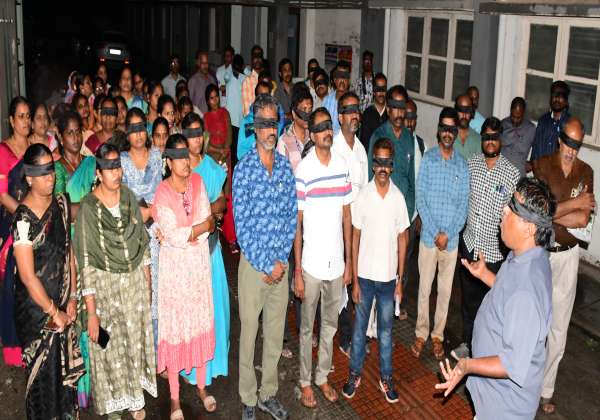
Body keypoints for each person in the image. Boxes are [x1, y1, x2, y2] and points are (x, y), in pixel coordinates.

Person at [436, 176, 555, 419]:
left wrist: (466, 365)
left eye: (513, 208)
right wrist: (485, 275)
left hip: (504, 409)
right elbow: (507, 294)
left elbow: (511, 363)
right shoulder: (525, 254)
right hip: (492, 399)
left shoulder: (527, 292)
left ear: (530, 228)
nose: (504, 209)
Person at [74, 144, 156, 419]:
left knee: (133, 342)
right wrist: (91, 312)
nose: (116, 173)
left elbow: (141, 242)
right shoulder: (88, 209)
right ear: (98, 173)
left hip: (133, 286)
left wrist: (148, 284)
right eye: (109, 168)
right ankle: (114, 405)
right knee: (109, 347)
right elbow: (86, 261)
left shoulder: (129, 197)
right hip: (105, 288)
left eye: (118, 167)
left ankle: (133, 397)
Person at [233, 94, 296, 420]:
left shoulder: (284, 167)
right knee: (249, 334)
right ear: (254, 128)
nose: (271, 130)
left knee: (274, 334)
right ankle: (247, 396)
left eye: (274, 123)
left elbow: (291, 216)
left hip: (280, 267)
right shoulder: (243, 171)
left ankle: (267, 394)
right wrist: (265, 264)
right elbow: (242, 226)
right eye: (265, 124)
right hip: (254, 269)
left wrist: (281, 261)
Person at [12, 143, 84, 419]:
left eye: (51, 170)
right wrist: (54, 312)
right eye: (42, 173)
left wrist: (73, 296)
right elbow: (27, 276)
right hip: (36, 312)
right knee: (43, 379)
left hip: (63, 301)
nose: (50, 177)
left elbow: (68, 252)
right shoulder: (22, 219)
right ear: (29, 177)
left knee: (63, 375)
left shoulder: (61, 204)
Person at [532, 117, 595, 415]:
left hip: (568, 256)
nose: (571, 150)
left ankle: (546, 390)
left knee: (559, 327)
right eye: (568, 143)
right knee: (534, 322)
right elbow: (538, 211)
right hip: (541, 253)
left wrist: (555, 210)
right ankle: (526, 382)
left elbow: (583, 220)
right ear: (560, 139)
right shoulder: (543, 164)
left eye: (577, 145)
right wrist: (573, 203)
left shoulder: (586, 172)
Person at [152, 134, 217, 417]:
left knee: (199, 321)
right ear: (168, 161)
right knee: (177, 328)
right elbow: (173, 233)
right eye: (178, 157)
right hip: (175, 272)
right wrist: (197, 230)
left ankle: (202, 387)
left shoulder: (198, 182)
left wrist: (193, 232)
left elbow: (208, 219)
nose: (185, 162)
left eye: (186, 156)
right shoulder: (162, 192)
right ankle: (175, 398)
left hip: (198, 265)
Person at [341, 137, 409, 403]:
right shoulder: (363, 196)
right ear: (373, 165)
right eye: (378, 161)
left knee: (386, 333)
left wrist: (400, 280)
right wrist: (355, 281)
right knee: (359, 331)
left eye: (386, 162)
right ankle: (354, 374)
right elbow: (355, 236)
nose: (382, 167)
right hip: (365, 279)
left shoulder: (398, 198)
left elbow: (403, 239)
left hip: (389, 280)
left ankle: (386, 378)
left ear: (392, 166)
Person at [294, 107, 352, 408]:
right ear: (313, 135)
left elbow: (347, 216)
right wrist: (297, 271)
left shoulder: (342, 165)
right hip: (311, 265)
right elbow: (297, 224)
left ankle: (321, 377)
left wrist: (349, 263)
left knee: (330, 325)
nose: (327, 131)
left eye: (329, 126)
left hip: (336, 264)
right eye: (321, 128)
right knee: (307, 328)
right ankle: (305, 381)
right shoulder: (304, 170)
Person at [451, 117, 520, 361]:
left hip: (494, 254)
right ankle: (467, 344)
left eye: (495, 137)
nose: (490, 141)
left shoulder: (512, 174)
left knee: (490, 305)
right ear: (482, 139)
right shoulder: (471, 165)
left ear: (501, 139)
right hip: (470, 245)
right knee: (468, 302)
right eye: (486, 137)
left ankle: (485, 351)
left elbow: (514, 216)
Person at [411, 108, 469, 361]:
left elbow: (464, 205)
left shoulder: (462, 165)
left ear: (456, 132)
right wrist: (436, 233)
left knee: (444, 293)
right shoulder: (429, 159)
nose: (447, 133)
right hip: (429, 238)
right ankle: (421, 333)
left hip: (451, 241)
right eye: (444, 128)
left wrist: (448, 234)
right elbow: (420, 198)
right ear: (438, 131)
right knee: (424, 289)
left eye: (451, 129)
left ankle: (437, 336)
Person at [179, 111, 230, 391]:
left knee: (216, 307)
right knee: (193, 311)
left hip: (210, 248)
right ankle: (192, 366)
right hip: (187, 251)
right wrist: (204, 216)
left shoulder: (211, 167)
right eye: (191, 134)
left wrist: (208, 210)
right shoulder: (179, 169)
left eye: (199, 133)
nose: (196, 139)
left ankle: (215, 362)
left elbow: (221, 202)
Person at [276, 83, 314, 357]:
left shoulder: (316, 137)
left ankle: (304, 329)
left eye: (311, 108)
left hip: (312, 218)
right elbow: (280, 182)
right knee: (287, 275)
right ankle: (279, 336)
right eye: (303, 109)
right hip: (290, 218)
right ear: (293, 113)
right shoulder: (284, 142)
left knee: (305, 275)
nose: (308, 114)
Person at [120, 108, 163, 346]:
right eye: (133, 129)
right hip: (132, 229)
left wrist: (156, 213)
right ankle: (138, 348)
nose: (138, 134)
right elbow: (119, 197)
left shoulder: (156, 155)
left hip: (157, 228)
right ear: (127, 133)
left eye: (141, 128)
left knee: (157, 286)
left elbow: (164, 190)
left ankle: (157, 350)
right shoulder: (121, 161)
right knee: (138, 288)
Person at [332, 92, 368, 357]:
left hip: (359, 228)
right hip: (338, 228)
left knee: (357, 280)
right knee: (341, 283)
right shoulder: (333, 148)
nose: (354, 115)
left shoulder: (361, 149)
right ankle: (344, 337)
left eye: (357, 110)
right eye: (349, 110)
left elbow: (364, 191)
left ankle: (358, 333)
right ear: (340, 116)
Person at [0, 96, 31, 367]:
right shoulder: (4, 150)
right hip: (13, 222)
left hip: (34, 221)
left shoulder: (34, 149)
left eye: (28, 115)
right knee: (13, 284)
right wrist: (25, 213)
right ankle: (13, 347)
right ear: (11, 120)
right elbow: (2, 195)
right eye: (21, 116)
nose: (26, 121)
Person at [368, 85, 416, 222]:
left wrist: (407, 214)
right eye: (395, 107)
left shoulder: (409, 139)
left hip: (403, 212)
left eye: (402, 108)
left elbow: (411, 182)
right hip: (380, 210)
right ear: (388, 109)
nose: (399, 113)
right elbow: (370, 177)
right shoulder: (378, 136)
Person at [204, 84, 238, 254]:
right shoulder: (205, 118)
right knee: (213, 197)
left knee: (227, 195)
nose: (215, 100)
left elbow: (230, 136)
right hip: (212, 161)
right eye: (211, 98)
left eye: (216, 96)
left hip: (226, 159)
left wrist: (225, 151)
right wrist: (218, 152)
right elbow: (205, 144)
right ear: (207, 101)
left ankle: (231, 237)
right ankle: (214, 235)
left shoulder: (225, 113)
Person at [237, 82, 285, 161]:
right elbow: (241, 152)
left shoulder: (275, 119)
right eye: (261, 96)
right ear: (256, 97)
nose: (264, 100)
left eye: (267, 96)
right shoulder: (248, 122)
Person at [531, 81, 571, 161]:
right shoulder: (543, 121)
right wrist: (533, 164)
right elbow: (535, 149)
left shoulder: (570, 124)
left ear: (566, 101)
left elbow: (569, 157)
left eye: (561, 96)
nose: (557, 99)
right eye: (554, 95)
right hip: (540, 168)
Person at [500, 97, 536, 177]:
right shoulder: (502, 124)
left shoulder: (531, 129)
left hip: (519, 175)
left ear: (523, 113)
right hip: (501, 174)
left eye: (518, 118)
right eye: (513, 116)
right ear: (510, 111)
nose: (515, 121)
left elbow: (538, 149)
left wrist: (532, 163)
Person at [54, 111, 84, 196]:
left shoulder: (90, 162)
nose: (75, 137)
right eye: (70, 133)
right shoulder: (58, 168)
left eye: (78, 132)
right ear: (61, 138)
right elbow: (61, 201)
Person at [226, 54, 246, 167]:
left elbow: (251, 76)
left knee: (239, 149)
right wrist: (232, 67)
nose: (236, 70)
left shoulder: (244, 78)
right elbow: (226, 76)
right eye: (235, 66)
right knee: (232, 149)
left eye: (239, 66)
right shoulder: (228, 77)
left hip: (241, 119)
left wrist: (244, 69)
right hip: (231, 120)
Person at [359, 73, 387, 151]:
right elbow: (364, 143)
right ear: (374, 91)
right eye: (378, 89)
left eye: (383, 89)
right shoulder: (367, 114)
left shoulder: (390, 114)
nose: (381, 93)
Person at [323, 60, 351, 133]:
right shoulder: (326, 101)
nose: (342, 80)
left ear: (348, 81)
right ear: (335, 79)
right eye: (339, 76)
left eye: (345, 77)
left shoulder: (352, 103)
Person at [454, 94, 481, 161]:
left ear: (472, 113)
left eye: (467, 111)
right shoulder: (448, 136)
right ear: (455, 111)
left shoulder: (478, 140)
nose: (464, 115)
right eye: (461, 110)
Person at [241, 45, 264, 116]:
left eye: (259, 56)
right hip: (253, 121)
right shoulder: (247, 81)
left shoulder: (266, 79)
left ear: (262, 59)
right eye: (255, 56)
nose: (257, 59)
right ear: (251, 59)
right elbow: (247, 112)